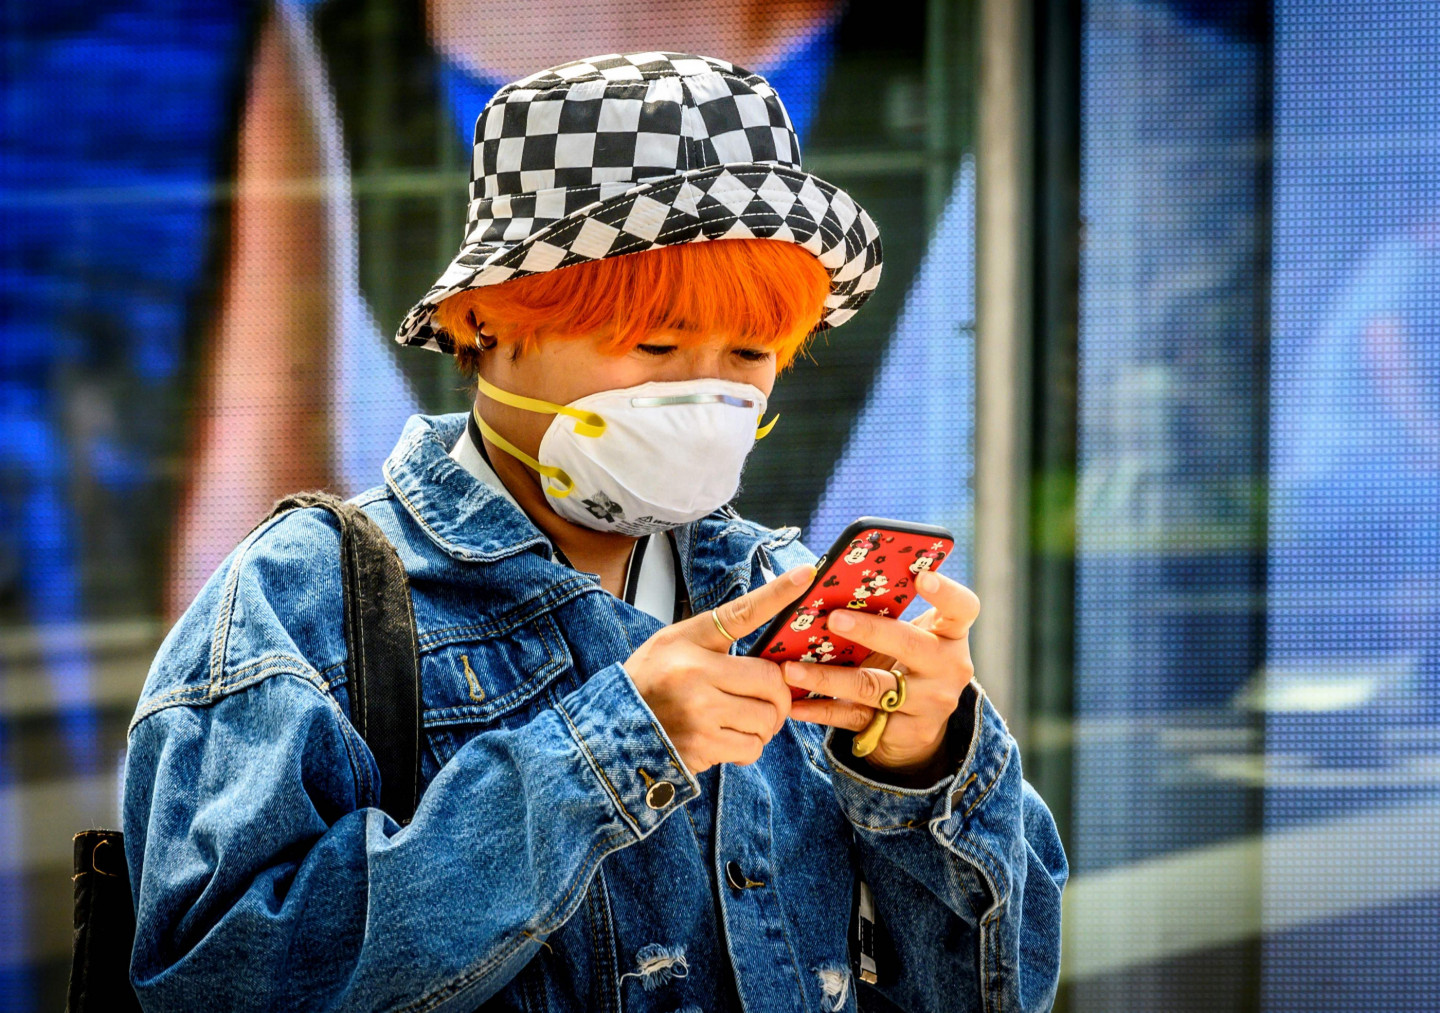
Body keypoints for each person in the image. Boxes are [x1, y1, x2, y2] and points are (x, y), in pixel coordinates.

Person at [123, 52, 1066, 1011]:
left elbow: (995, 991)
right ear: (486, 323)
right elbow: (217, 979)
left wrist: (923, 766)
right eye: (655, 341)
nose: (708, 393)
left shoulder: (784, 592)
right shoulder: (302, 604)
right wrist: (613, 749)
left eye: (750, 350)